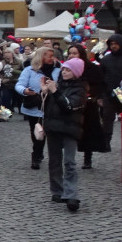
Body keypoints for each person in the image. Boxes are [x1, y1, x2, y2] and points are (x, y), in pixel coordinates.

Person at [43, 58, 87, 212]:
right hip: (53, 127)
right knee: (54, 161)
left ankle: (71, 194)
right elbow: (45, 107)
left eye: (68, 70)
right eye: (63, 69)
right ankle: (57, 191)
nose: (64, 72)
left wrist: (54, 92)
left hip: (70, 128)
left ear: (75, 72)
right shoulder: (58, 84)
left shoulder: (81, 89)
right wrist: (44, 93)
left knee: (69, 162)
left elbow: (69, 106)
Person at [64, 44, 108, 169]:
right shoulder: (67, 68)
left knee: (88, 130)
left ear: (81, 54)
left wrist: (92, 94)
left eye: (75, 53)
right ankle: (68, 157)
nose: (71, 55)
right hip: (71, 103)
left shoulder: (92, 68)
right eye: (70, 53)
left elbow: (100, 84)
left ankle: (87, 158)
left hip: (88, 103)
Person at [15, 47, 57, 169]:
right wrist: (25, 91)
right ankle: (36, 155)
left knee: (50, 132)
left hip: (52, 107)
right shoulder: (29, 70)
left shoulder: (57, 71)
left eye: (52, 56)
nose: (51, 58)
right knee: (37, 132)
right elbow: (19, 85)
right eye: (49, 56)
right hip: (35, 107)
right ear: (41, 57)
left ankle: (47, 156)